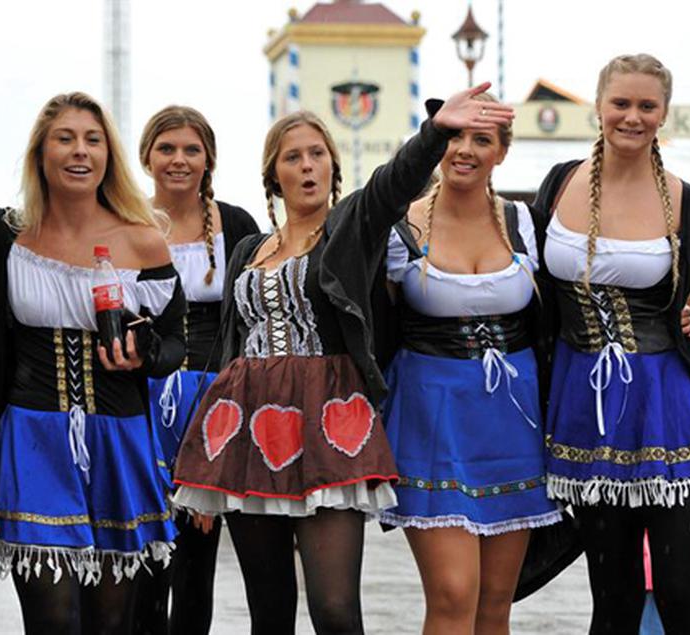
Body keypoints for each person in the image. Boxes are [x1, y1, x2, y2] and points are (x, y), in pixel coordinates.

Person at [172, 83, 513, 634]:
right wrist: (206, 466)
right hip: (246, 432)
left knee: (334, 611)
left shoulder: (350, 227)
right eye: (293, 157)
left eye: (317, 154)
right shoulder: (247, 250)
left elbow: (393, 184)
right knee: (269, 612)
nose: (307, 167)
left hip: (330, 423)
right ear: (273, 177)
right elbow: (231, 349)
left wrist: (435, 134)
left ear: (333, 166)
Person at [533, 53, 690, 634]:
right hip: (586, 412)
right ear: (599, 107)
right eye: (620, 103)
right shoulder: (557, 185)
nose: (632, 116)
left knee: (682, 597)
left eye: (646, 106)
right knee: (613, 599)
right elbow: (528, 292)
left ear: (663, 114)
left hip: (672, 409)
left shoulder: (689, 203)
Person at [0, 92, 184, 634]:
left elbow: (173, 346)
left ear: (108, 155)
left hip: (119, 438)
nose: (80, 151)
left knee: (111, 624)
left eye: (93, 140)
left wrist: (143, 354)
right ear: (41, 154)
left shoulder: (143, 239)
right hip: (33, 435)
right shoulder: (6, 233)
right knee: (52, 621)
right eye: (65, 138)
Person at [381, 92, 562, 634]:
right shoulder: (399, 228)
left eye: (480, 139)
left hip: (513, 420)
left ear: (501, 152)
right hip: (432, 417)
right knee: (453, 594)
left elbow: (574, 300)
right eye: (454, 136)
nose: (464, 149)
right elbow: (359, 313)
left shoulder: (524, 222)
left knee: (495, 604)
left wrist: (681, 317)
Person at [134, 105, 258, 635]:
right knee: (142, 553)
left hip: (213, 402)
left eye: (191, 149)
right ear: (146, 157)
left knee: (195, 557)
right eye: (167, 148)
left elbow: (250, 323)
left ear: (208, 159)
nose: (178, 160)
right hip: (139, 399)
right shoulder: (126, 221)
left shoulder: (236, 225)